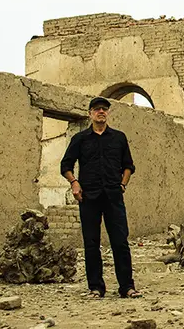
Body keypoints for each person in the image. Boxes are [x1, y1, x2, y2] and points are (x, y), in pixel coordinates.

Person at [60, 96, 141, 299]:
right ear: (90, 114)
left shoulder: (119, 138)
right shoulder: (80, 139)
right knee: (91, 243)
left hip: (114, 197)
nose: (101, 112)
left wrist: (123, 184)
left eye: (104, 109)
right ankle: (96, 288)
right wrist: (74, 183)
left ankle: (127, 287)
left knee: (120, 242)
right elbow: (65, 166)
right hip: (89, 197)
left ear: (108, 113)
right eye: (97, 109)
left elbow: (129, 166)